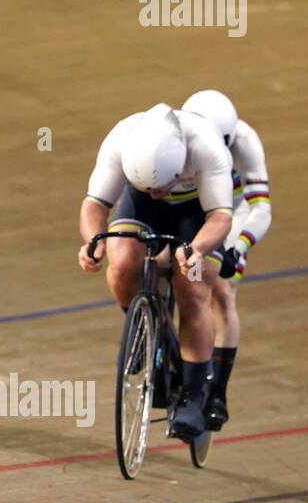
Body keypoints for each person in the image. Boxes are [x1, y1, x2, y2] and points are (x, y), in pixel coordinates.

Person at [77, 103, 233, 439]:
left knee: (192, 287)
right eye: (149, 185)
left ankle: (191, 394)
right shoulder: (121, 139)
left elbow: (220, 217)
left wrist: (197, 250)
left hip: (197, 212)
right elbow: (95, 204)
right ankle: (145, 330)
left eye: (163, 184)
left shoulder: (206, 146)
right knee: (121, 264)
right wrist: (93, 243)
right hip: (141, 208)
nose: (157, 192)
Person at [181, 90, 271, 432]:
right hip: (194, 206)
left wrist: (240, 246)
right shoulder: (179, 132)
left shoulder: (246, 141)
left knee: (221, 289)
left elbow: (260, 205)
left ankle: (217, 392)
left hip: (232, 212)